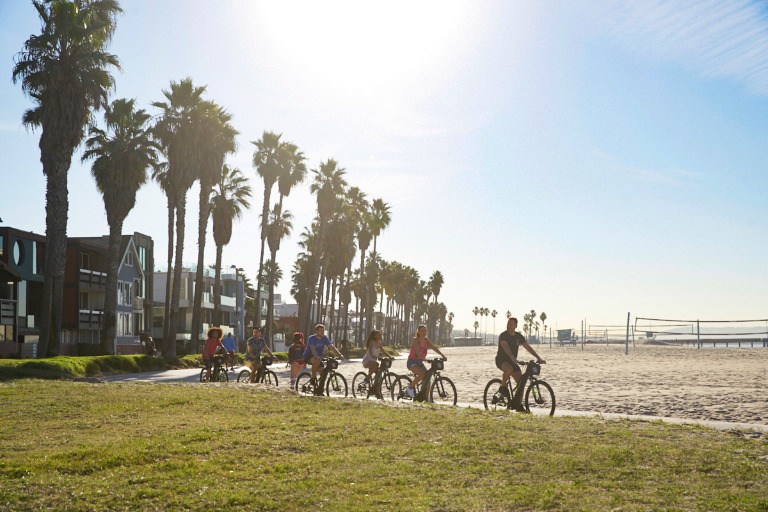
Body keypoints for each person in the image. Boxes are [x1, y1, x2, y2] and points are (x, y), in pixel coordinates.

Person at [496, 316, 546, 412]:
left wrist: (538, 358)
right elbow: (507, 349)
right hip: (501, 360)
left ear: (515, 325)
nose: (509, 326)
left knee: (521, 383)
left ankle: (518, 404)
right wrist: (514, 359)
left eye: (511, 324)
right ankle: (502, 388)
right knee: (509, 368)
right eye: (508, 324)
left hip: (513, 361)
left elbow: (528, 347)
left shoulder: (518, 336)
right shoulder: (503, 336)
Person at [404, 324, 447, 399]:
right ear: (419, 332)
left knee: (427, 379)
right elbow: (417, 350)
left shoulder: (426, 340)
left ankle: (425, 397)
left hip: (420, 362)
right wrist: (422, 357)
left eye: (425, 331)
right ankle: (409, 389)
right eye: (422, 331)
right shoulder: (415, 340)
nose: (424, 332)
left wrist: (443, 355)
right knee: (422, 375)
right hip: (412, 362)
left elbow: (434, 348)